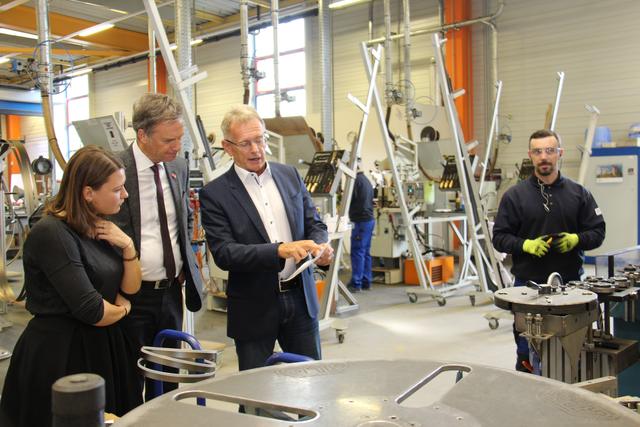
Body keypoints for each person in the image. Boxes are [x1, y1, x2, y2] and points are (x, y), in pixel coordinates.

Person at [0, 146, 142, 427]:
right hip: (64, 353)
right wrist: (124, 309)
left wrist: (127, 246)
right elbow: (93, 310)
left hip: (105, 346)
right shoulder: (52, 233)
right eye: (117, 189)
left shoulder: (100, 225)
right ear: (88, 193)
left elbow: (132, 287)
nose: (124, 195)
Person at [199, 105, 334, 371]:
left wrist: (321, 247)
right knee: (255, 393)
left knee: (312, 381)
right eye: (246, 143)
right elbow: (225, 253)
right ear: (228, 147)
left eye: (260, 139)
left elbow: (313, 223)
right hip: (254, 305)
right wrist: (278, 251)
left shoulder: (289, 175)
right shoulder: (215, 194)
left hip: (300, 299)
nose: (256, 150)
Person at [110, 93, 203, 400]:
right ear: (142, 135)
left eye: (179, 138)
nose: (176, 147)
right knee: (130, 376)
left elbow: (185, 217)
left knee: (168, 373)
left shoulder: (177, 165)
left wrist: (184, 262)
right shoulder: (115, 168)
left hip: (171, 292)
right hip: (131, 295)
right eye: (168, 140)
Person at [492, 129, 605, 373]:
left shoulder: (579, 194)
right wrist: (525, 245)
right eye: (538, 151)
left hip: (571, 285)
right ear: (530, 156)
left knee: (573, 347)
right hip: (527, 287)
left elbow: (598, 233)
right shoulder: (514, 196)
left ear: (559, 154)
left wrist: (577, 239)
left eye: (550, 151)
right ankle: (528, 386)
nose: (544, 157)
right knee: (527, 348)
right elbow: (499, 238)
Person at [347, 159, 375, 292]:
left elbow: (348, 200)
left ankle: (356, 283)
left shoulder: (355, 181)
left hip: (360, 221)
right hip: (368, 220)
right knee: (365, 252)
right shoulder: (366, 180)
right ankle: (366, 281)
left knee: (358, 251)